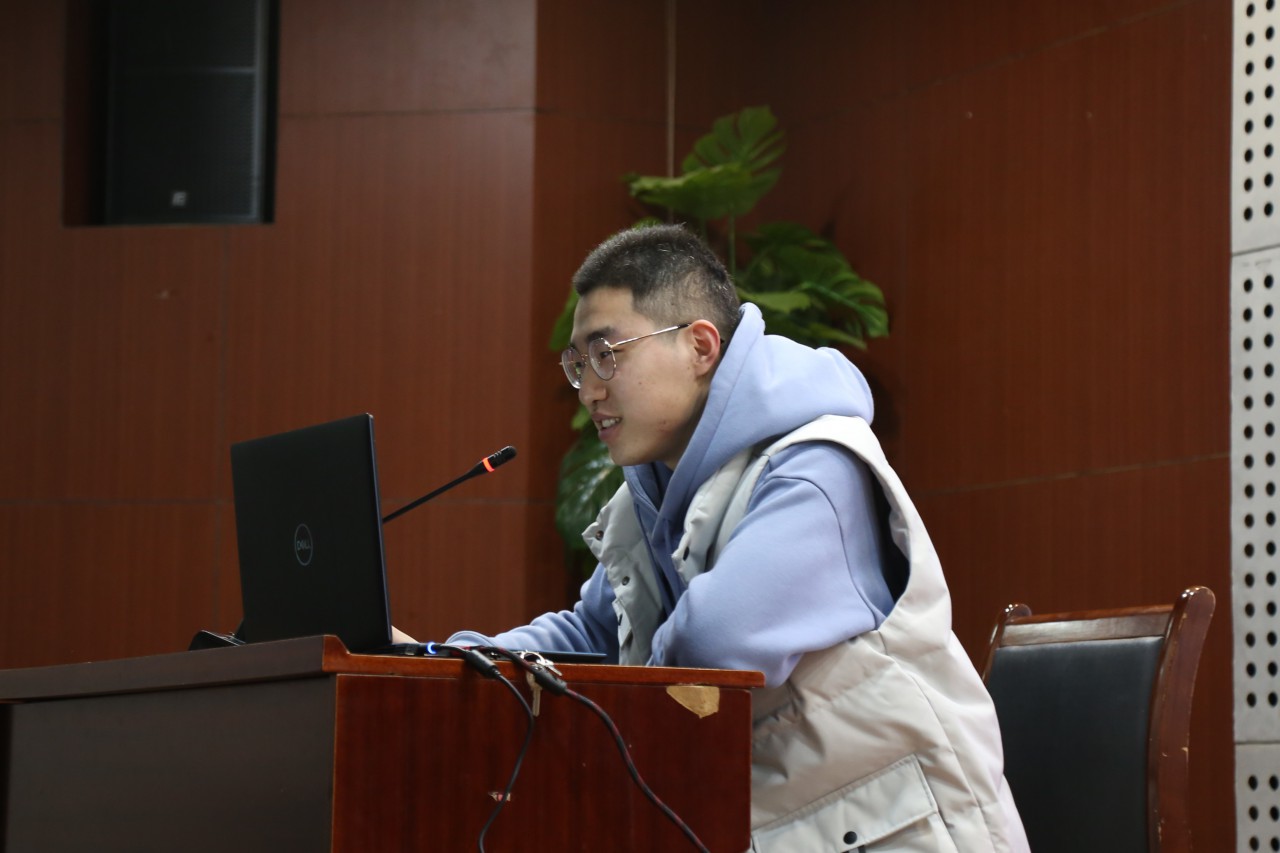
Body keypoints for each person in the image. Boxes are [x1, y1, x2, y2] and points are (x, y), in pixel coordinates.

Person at [447, 224, 1029, 851]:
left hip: (905, 832)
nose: (589, 388)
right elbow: (592, 634)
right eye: (579, 364)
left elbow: (711, 650)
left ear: (700, 347)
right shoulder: (655, 490)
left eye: (608, 353)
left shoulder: (815, 467)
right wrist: (445, 662)